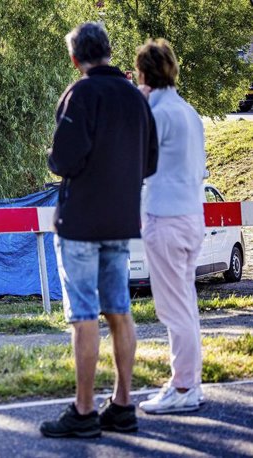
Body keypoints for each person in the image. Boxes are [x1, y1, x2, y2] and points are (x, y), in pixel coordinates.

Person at [40, 22, 158, 438]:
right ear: (108, 51)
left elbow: (63, 160)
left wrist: (54, 156)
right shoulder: (135, 97)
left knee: (85, 315)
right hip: (121, 219)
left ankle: (84, 411)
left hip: (81, 222)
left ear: (75, 59)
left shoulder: (80, 94)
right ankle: (123, 405)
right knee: (120, 311)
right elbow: (150, 164)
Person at [134, 39, 206, 414]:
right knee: (186, 305)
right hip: (193, 216)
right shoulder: (189, 112)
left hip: (165, 218)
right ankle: (189, 382)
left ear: (144, 74)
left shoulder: (156, 114)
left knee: (174, 309)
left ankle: (183, 388)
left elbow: (139, 165)